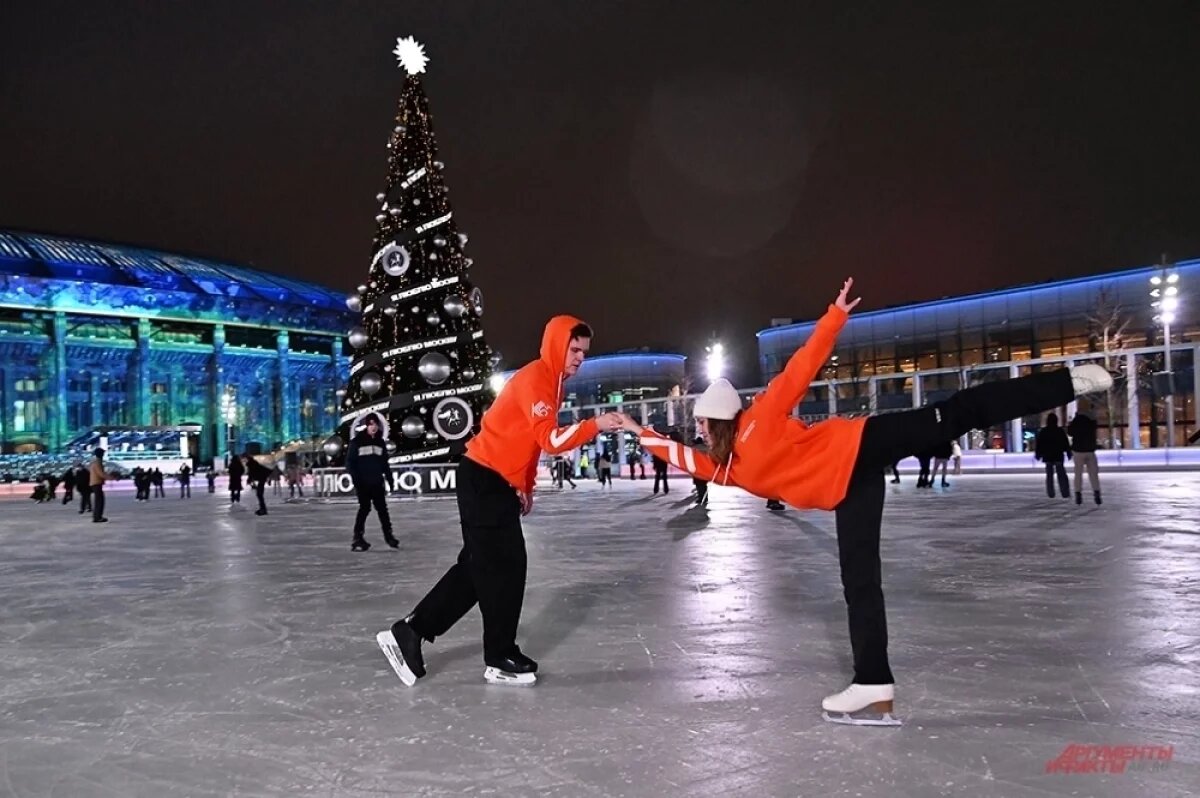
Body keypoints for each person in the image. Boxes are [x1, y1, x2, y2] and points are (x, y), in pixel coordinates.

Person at [619, 278, 1114, 725]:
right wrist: (641, 433)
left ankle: (1070, 381)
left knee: (961, 411)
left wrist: (834, 316)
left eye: (703, 424)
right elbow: (683, 456)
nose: (699, 431)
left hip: (866, 443)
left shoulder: (759, 420)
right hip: (850, 486)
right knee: (859, 583)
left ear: (718, 420)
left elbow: (801, 367)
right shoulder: (729, 468)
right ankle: (872, 684)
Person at [375, 315, 623, 688]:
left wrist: (524, 484)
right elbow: (551, 442)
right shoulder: (538, 379)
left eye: (584, 353)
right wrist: (595, 424)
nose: (579, 359)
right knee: (505, 567)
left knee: (480, 569)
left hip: (492, 480)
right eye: (573, 350)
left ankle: (412, 632)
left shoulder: (552, 382)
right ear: (556, 344)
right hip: (482, 478)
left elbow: (522, 441)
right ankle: (498, 655)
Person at [346, 413, 398, 551]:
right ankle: (357, 537)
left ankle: (389, 537)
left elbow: (384, 464)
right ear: (366, 426)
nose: (373, 427)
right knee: (364, 508)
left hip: (377, 482)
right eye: (370, 424)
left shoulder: (380, 442)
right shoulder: (357, 442)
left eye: (375, 424)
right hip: (363, 483)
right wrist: (356, 480)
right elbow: (350, 463)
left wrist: (390, 479)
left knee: (382, 510)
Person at [1067, 409, 1101, 505]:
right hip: (1090, 450)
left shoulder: (1076, 420)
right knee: (1093, 473)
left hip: (1078, 450)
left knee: (1078, 473)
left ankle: (1078, 494)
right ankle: (1096, 492)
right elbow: (1094, 429)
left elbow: (1070, 432)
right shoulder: (1091, 420)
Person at [1034, 412, 1072, 499]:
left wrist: (1038, 454)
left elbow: (1039, 444)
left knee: (1049, 476)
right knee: (1061, 475)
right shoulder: (1059, 431)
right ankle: (1065, 492)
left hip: (1048, 456)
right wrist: (1068, 453)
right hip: (1058, 455)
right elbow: (1065, 443)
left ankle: (1051, 493)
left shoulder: (1043, 431)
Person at [89, 448, 109, 523]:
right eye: (103, 453)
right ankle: (97, 517)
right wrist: (111, 477)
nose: (103, 454)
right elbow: (101, 474)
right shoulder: (97, 462)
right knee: (99, 501)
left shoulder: (96, 462)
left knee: (99, 500)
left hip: (95, 483)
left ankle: (97, 516)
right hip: (96, 483)